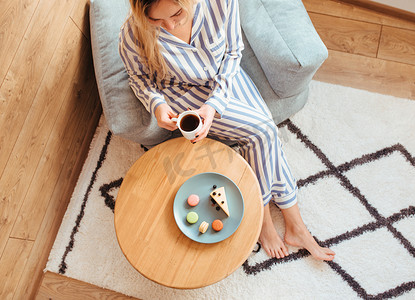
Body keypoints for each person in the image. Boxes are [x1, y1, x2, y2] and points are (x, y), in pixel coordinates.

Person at [119, 0, 335, 260]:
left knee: (265, 133)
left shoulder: (221, 2)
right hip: (184, 95)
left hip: (225, 80)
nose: (170, 25)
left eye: (177, 14)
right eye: (157, 21)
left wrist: (214, 105)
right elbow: (139, 78)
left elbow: (233, 53)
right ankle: (273, 220)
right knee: (264, 132)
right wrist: (157, 105)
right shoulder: (133, 32)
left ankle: (287, 223)